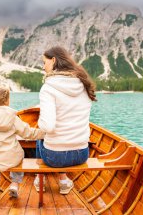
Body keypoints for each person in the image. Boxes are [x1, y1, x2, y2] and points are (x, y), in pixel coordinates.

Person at [35, 46, 97, 194]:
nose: (43, 67)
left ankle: (39, 178)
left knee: (39, 137)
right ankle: (63, 182)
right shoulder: (84, 84)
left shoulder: (48, 88)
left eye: (45, 62)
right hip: (82, 153)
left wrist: (40, 121)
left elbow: (48, 127)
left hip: (55, 157)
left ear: (54, 60)